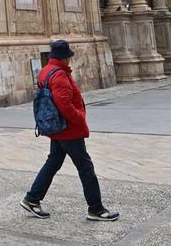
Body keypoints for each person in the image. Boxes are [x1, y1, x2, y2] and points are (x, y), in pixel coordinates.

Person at [21, 39, 119, 222]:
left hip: (57, 127)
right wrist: (79, 118)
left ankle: (32, 199)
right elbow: (64, 104)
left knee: (53, 162)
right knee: (86, 167)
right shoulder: (59, 75)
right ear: (65, 58)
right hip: (68, 129)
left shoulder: (45, 70)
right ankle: (96, 209)